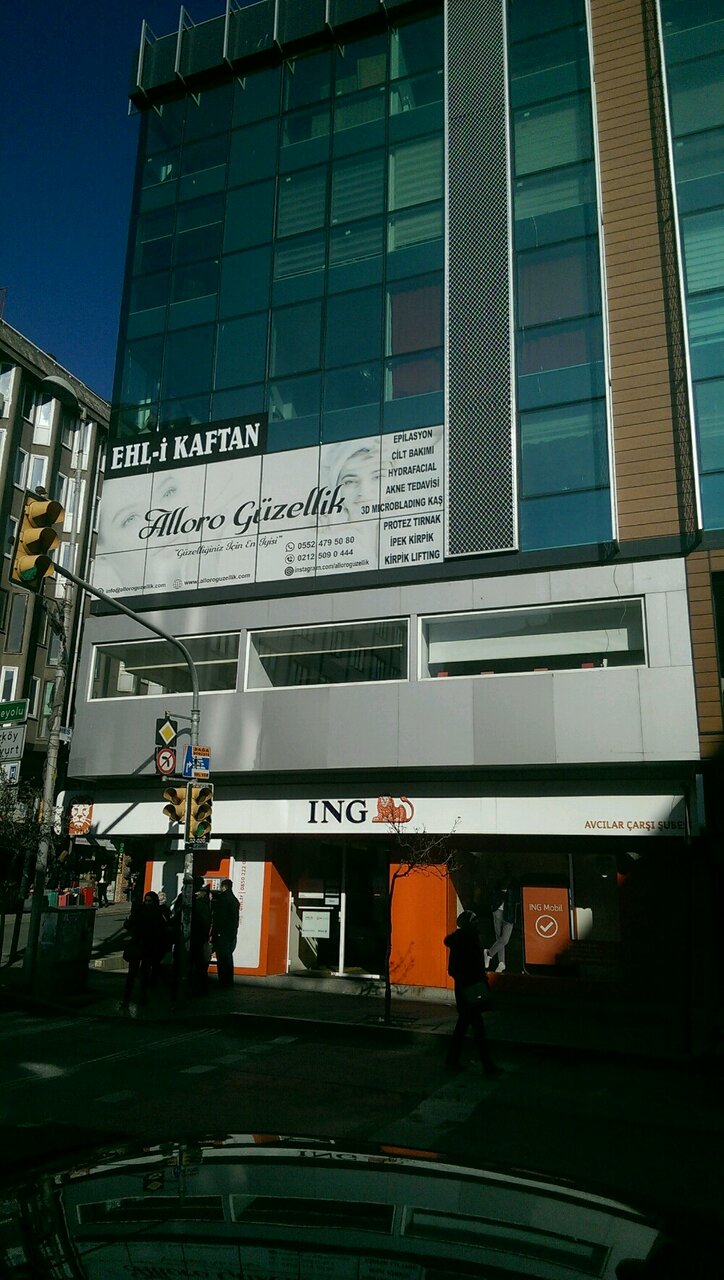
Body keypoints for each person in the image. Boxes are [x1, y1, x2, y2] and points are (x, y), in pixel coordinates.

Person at [444, 910, 501, 1078]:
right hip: (470, 990)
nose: (477, 923)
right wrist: (474, 980)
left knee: (465, 1026)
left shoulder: (465, 939)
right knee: (477, 1027)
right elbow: (459, 968)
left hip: (467, 989)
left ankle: (453, 1059)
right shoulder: (466, 941)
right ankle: (487, 1065)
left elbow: (456, 969)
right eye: (474, 920)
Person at [120, 890, 171, 1010]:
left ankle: (140, 998)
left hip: (148, 947)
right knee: (133, 975)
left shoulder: (158, 914)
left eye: (150, 901)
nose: (147, 903)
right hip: (140, 946)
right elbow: (131, 925)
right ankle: (128, 999)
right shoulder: (143, 912)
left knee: (143, 974)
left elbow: (162, 932)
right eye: (146, 901)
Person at [484, 878, 519, 974]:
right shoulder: (497, 885)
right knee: (499, 938)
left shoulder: (514, 887)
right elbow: (493, 895)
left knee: (504, 939)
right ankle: (501, 963)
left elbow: (517, 899)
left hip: (509, 914)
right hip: (498, 911)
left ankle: (489, 953)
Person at [212, 878, 240, 989]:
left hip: (222, 933)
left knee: (222, 959)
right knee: (228, 958)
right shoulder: (234, 900)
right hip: (231, 934)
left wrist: (215, 933)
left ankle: (223, 981)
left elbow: (219, 918)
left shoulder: (222, 899)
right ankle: (229, 981)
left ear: (224, 887)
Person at [190, 878, 213, 995]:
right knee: (200, 965)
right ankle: (202, 987)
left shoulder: (198, 905)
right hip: (201, 938)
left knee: (196, 965)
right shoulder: (206, 905)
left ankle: (199, 988)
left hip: (196, 938)